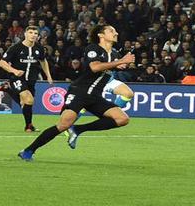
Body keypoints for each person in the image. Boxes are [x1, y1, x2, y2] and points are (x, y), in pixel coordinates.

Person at [18, 25, 135, 161]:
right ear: (101, 35)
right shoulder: (93, 48)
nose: (116, 33)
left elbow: (113, 67)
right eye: (111, 31)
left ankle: (78, 129)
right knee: (63, 125)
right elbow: (95, 67)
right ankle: (28, 150)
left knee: (122, 119)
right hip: (79, 92)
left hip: (95, 96)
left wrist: (121, 65)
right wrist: (121, 61)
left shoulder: (114, 55)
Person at [0, 25, 53, 132]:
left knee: (25, 103)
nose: (33, 35)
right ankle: (28, 126)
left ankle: (7, 89)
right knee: (29, 99)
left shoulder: (39, 48)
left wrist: (48, 76)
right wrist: (14, 71)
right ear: (25, 34)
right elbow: (2, 63)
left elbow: (43, 61)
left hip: (31, 80)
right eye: (30, 33)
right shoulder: (16, 48)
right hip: (17, 78)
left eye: (35, 33)